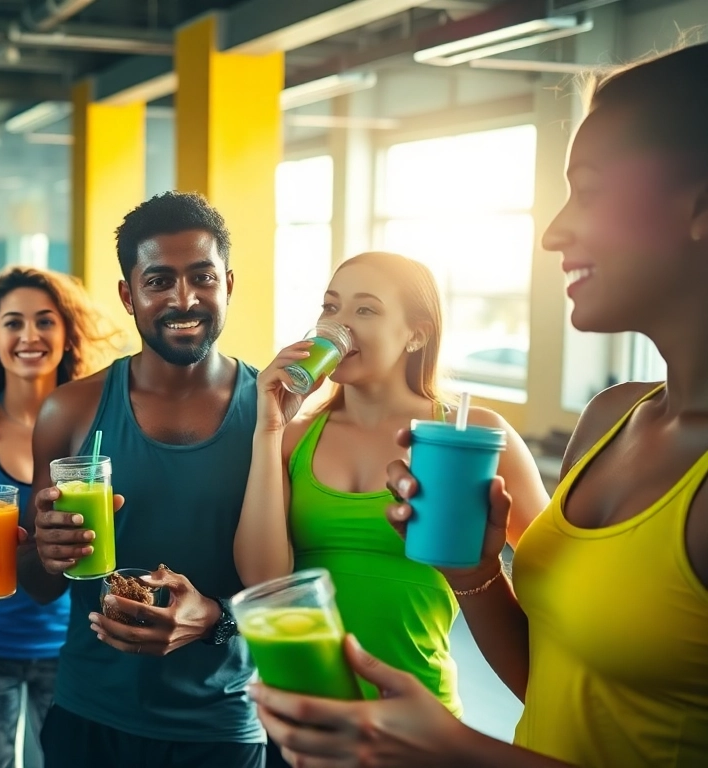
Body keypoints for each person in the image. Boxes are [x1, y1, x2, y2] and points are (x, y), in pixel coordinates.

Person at [252, 42, 708, 768]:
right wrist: (473, 572)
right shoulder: (611, 417)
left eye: (587, 189)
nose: (555, 231)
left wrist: (455, 749)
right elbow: (552, 681)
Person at [234, 252, 549, 715]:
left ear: (416, 333)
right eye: (330, 306)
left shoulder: (470, 436)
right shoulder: (294, 436)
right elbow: (265, 582)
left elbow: (555, 573)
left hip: (418, 725)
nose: (338, 324)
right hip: (304, 722)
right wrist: (268, 430)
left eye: (366, 309)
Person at [19, 192, 268, 767]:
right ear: (129, 296)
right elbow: (41, 584)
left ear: (229, 282)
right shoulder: (69, 412)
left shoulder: (275, 417)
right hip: (91, 719)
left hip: (222, 728)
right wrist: (48, 554)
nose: (185, 298)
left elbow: (293, 583)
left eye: (203, 276)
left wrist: (215, 619)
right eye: (159, 280)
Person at [0, 266, 116, 768]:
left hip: (74, 647)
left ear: (67, 335)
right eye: (13, 323)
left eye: (45, 321)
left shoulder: (95, 428)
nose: (29, 336)